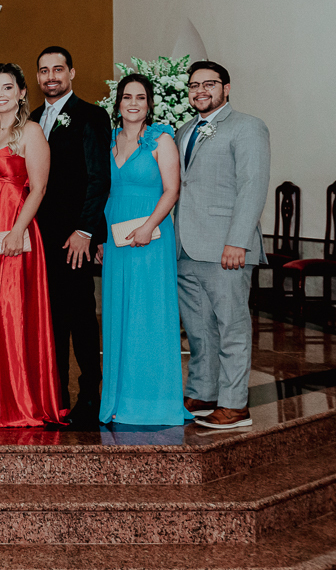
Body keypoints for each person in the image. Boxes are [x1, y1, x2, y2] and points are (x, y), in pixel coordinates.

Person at [0, 63, 64, 428]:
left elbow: (38, 188)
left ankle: (16, 399)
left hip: (16, 228)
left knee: (12, 312)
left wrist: (18, 230)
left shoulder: (31, 132)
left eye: (7, 88)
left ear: (22, 92)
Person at [176, 61, 270, 430]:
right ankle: (204, 391)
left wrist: (238, 241)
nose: (201, 90)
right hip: (186, 247)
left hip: (226, 247)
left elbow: (253, 185)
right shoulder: (184, 130)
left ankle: (234, 404)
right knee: (198, 328)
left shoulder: (247, 127)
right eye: (195, 84)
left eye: (210, 84)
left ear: (226, 88)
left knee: (230, 326)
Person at [98, 75, 191, 426]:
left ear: (149, 103)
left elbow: (172, 189)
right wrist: (103, 239)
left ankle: (152, 400)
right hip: (118, 237)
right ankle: (120, 399)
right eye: (126, 97)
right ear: (118, 103)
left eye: (140, 97)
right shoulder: (111, 140)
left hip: (151, 237)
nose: (133, 103)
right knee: (119, 313)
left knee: (147, 313)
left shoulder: (160, 139)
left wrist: (149, 226)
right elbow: (108, 192)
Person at [29, 46, 111, 427]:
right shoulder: (32, 118)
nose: (51, 77)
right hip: (39, 238)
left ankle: (90, 395)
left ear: (71, 73)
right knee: (50, 318)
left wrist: (85, 231)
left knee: (80, 316)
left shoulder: (90, 116)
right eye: (44, 71)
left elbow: (99, 179)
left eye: (58, 69)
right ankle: (56, 394)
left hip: (73, 238)